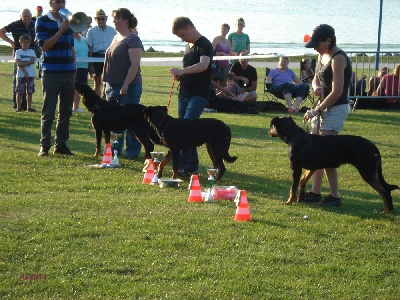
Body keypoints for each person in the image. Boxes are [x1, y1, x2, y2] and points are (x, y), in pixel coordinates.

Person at [303, 24, 352, 206]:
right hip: (323, 105)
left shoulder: (339, 59)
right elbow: (316, 77)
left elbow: (337, 92)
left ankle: (334, 196)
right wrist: (316, 87)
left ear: (328, 41)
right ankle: (315, 192)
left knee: (328, 153)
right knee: (317, 152)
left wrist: (317, 109)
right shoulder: (321, 54)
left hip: (336, 108)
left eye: (317, 43)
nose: (314, 47)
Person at [169, 16, 213, 176]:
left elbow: (203, 65)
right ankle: (189, 166)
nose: (182, 39)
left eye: (182, 35)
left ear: (189, 27)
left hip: (199, 93)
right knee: (184, 129)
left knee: (187, 127)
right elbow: (189, 68)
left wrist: (182, 71)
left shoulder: (205, 44)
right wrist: (181, 76)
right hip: (185, 92)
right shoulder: (188, 46)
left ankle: (186, 165)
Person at [36, 0, 76, 156]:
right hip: (51, 72)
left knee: (66, 111)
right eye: (58, 2)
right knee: (49, 110)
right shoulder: (42, 20)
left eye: (63, 2)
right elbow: (44, 46)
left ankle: (61, 145)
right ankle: (44, 145)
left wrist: (74, 67)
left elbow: (71, 45)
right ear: (51, 3)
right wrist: (60, 31)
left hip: (68, 71)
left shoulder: (69, 21)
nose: (61, 4)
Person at [102, 8, 144, 159]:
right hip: (111, 86)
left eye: (116, 19)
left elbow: (134, 65)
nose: (113, 21)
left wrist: (126, 84)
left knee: (131, 121)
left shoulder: (133, 39)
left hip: (128, 87)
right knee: (114, 120)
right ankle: (114, 150)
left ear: (125, 21)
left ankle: (132, 152)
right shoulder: (116, 37)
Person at [0, 8, 35, 110]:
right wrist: (11, 42)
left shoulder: (33, 24)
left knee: (29, 79)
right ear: (20, 16)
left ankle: (27, 105)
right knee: (19, 79)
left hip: (30, 54)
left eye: (28, 16)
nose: (27, 18)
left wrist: (36, 41)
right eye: (24, 16)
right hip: (19, 55)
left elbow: (38, 34)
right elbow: (1, 31)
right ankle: (17, 104)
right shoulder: (15, 24)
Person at [86, 9, 116, 96]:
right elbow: (90, 48)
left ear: (106, 19)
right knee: (97, 82)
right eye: (98, 19)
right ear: (96, 20)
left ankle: (105, 100)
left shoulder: (112, 30)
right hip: (96, 56)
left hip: (109, 56)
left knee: (108, 82)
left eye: (102, 19)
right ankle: (97, 103)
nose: (101, 21)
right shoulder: (91, 31)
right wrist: (90, 64)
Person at [14, 34, 36, 112]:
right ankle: (18, 107)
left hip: (31, 74)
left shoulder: (32, 51)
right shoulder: (18, 52)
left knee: (29, 92)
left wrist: (23, 63)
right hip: (21, 74)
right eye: (24, 42)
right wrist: (25, 71)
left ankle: (28, 107)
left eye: (27, 42)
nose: (26, 44)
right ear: (20, 43)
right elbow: (19, 64)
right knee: (19, 91)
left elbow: (32, 60)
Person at [73, 31, 89, 112]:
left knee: (81, 88)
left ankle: (76, 107)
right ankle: (71, 106)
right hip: (74, 67)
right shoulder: (70, 38)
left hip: (84, 66)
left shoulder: (83, 38)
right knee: (73, 88)